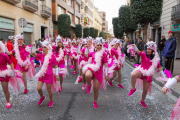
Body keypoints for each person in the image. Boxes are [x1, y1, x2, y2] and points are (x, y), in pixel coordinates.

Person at [128, 41, 165, 108]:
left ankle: (142, 101)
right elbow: (138, 52)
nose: (148, 50)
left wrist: (164, 78)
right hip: (142, 71)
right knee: (133, 74)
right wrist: (134, 46)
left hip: (148, 75)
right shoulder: (144, 55)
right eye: (147, 49)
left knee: (145, 90)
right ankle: (133, 89)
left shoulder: (156, 59)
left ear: (153, 50)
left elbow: (159, 68)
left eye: (149, 49)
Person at [31, 40, 60, 107]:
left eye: (44, 47)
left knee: (49, 90)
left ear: (48, 48)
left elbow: (56, 66)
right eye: (42, 47)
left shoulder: (52, 57)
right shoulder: (41, 55)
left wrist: (57, 74)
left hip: (49, 75)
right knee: (38, 88)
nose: (43, 49)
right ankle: (42, 97)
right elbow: (33, 53)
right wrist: (33, 46)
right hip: (42, 75)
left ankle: (50, 100)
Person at [82, 38, 109, 109]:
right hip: (91, 68)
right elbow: (86, 55)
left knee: (96, 89)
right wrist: (86, 48)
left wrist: (106, 74)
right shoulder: (93, 53)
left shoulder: (104, 54)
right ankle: (88, 85)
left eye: (100, 45)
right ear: (95, 46)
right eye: (98, 45)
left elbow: (106, 65)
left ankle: (95, 101)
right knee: (87, 75)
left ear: (102, 46)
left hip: (99, 72)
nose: (99, 46)